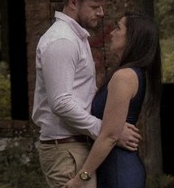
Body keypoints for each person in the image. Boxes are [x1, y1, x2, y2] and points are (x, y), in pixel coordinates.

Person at [34, 0, 142, 188]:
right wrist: (107, 130)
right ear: (73, 3)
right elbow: (61, 103)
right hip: (65, 150)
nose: (101, 13)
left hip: (75, 146)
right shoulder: (61, 41)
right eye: (94, 7)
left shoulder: (75, 37)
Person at [64, 12, 160, 188]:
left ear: (132, 37)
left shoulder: (124, 76)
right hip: (115, 168)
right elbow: (111, 129)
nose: (111, 32)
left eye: (118, 27)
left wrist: (81, 178)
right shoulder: (131, 73)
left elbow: (109, 136)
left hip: (119, 171)